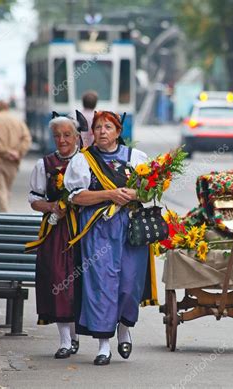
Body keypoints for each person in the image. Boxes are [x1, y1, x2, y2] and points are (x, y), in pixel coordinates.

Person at [64, 111, 155, 366]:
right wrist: (109, 194)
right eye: (98, 127)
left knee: (129, 284)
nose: (102, 131)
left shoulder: (136, 158)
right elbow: (75, 197)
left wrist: (135, 193)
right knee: (101, 285)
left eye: (108, 127)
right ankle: (104, 345)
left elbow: (150, 193)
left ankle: (125, 327)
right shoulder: (83, 160)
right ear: (92, 132)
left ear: (118, 131)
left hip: (130, 229)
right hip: (97, 229)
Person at [27, 114, 81, 359]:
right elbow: (34, 199)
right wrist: (51, 207)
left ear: (77, 136)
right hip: (56, 232)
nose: (62, 140)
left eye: (67, 134)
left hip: (84, 229)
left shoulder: (87, 162)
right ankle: (64, 340)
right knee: (58, 281)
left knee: (83, 282)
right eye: (57, 135)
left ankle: (76, 331)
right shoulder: (44, 165)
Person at [0, 101, 32, 212]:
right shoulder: (17, 120)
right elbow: (27, 138)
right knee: (6, 190)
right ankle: (3, 214)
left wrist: (5, 152)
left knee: (0, 190)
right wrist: (18, 152)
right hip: (13, 162)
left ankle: (4, 218)